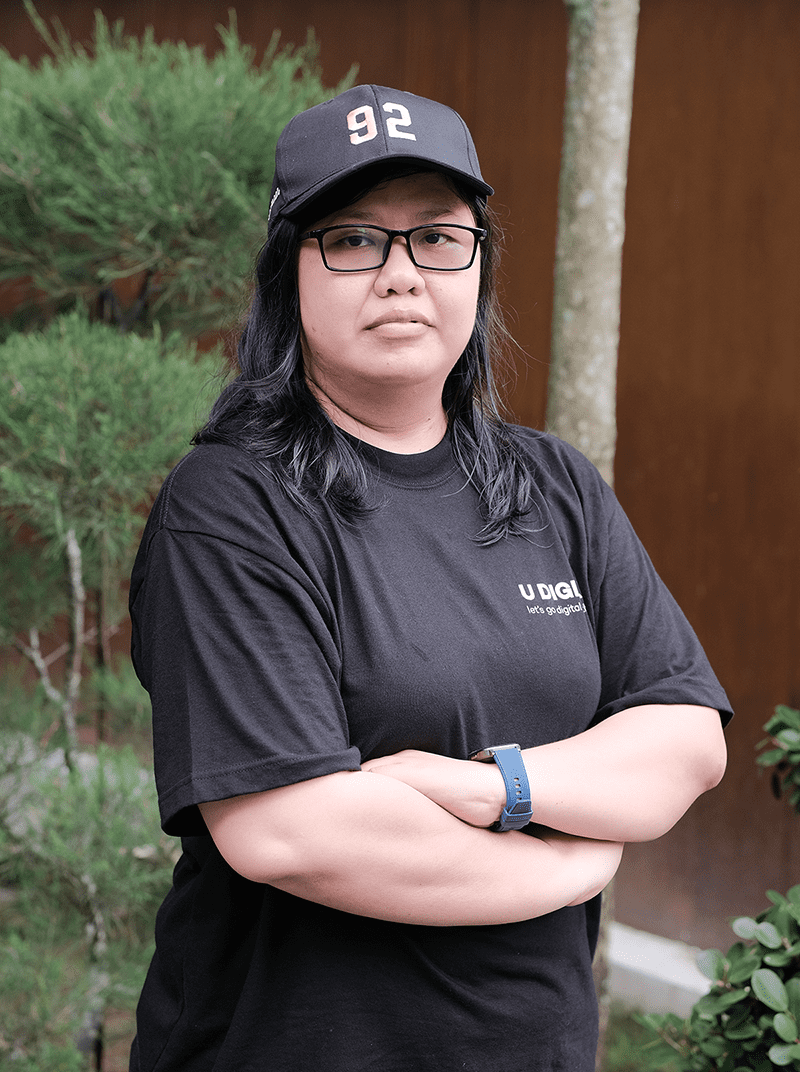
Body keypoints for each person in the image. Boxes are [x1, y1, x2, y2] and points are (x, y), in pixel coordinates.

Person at [128, 84, 731, 1072]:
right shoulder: (233, 506)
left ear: (477, 265)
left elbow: (684, 741)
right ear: (288, 273)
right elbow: (289, 831)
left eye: (438, 237)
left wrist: (496, 788)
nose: (400, 274)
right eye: (353, 240)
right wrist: (570, 861)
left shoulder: (553, 485)